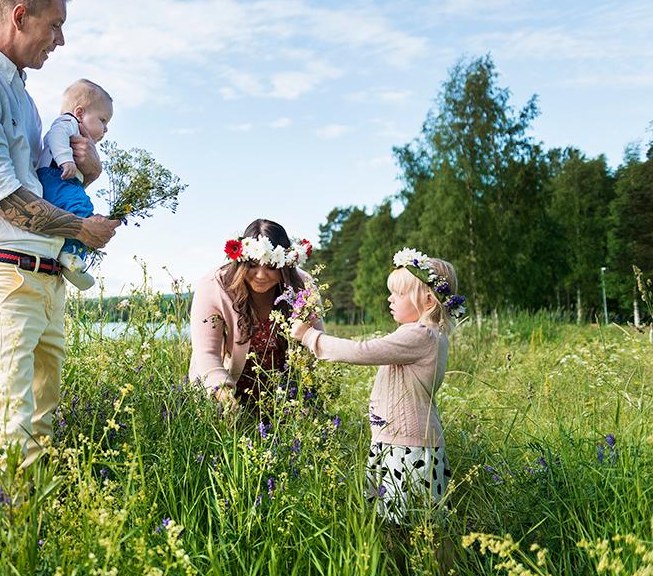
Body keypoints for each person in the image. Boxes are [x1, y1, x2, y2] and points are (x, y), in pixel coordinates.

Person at [0, 0, 121, 515]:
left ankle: (20, 541)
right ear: (21, 16)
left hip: (45, 279)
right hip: (5, 274)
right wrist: (82, 228)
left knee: (41, 420)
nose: (61, 40)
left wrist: (85, 173)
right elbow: (4, 200)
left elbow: (41, 184)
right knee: (9, 422)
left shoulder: (24, 96)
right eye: (55, 25)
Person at [290, 248, 466, 524]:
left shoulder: (421, 336)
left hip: (409, 447)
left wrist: (311, 336)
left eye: (399, 294)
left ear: (429, 300)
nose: (390, 299)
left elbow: (363, 350)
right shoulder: (421, 333)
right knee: (397, 522)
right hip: (396, 441)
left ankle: (434, 567)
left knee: (416, 524)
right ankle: (408, 566)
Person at [188, 219, 320, 417]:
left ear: (285, 266)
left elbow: (315, 344)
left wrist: (306, 394)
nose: (261, 275)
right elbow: (207, 354)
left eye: (271, 266)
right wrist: (222, 392)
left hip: (283, 393)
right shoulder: (214, 286)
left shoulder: (303, 285)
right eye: (252, 265)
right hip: (226, 385)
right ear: (240, 261)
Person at [35, 78, 113, 290]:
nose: (105, 129)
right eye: (103, 120)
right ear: (79, 113)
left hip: (57, 178)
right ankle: (71, 258)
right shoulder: (68, 122)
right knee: (81, 209)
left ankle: (71, 255)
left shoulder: (75, 129)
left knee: (76, 208)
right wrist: (65, 160)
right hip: (54, 175)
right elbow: (55, 136)